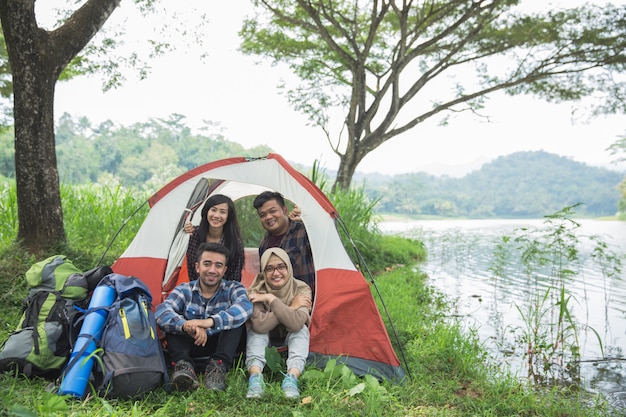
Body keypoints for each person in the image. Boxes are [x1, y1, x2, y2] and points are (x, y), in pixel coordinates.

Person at [155, 242, 253, 392]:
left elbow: (245, 307)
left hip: (220, 346)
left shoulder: (234, 288)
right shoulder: (184, 289)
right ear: (197, 267)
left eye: (218, 265)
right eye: (207, 264)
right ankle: (184, 367)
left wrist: (208, 322)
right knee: (174, 322)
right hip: (191, 345)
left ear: (224, 270)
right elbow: (162, 312)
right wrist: (186, 325)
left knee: (235, 321)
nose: (212, 270)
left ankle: (217, 369)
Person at [245, 247, 312, 399]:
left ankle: (291, 378)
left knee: (301, 330)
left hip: (289, 336)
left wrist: (271, 300)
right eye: (269, 269)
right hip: (266, 337)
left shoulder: (301, 289)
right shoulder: (256, 290)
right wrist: (290, 307)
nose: (276, 273)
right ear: (263, 272)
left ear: (288, 267)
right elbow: (260, 326)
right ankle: (255, 378)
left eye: (281, 267)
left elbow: (295, 323)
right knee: (255, 332)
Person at [253, 191, 315, 292]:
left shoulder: (304, 232)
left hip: (306, 299)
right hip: (277, 303)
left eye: (272, 211)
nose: (268, 217)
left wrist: (309, 219)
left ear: (285, 210)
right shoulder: (264, 244)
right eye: (263, 215)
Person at [184, 194, 244, 282]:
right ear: (206, 211)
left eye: (222, 212)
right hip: (197, 289)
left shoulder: (234, 243)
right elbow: (192, 269)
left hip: (225, 292)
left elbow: (235, 278)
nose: (216, 215)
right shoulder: (194, 235)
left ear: (228, 216)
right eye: (213, 210)